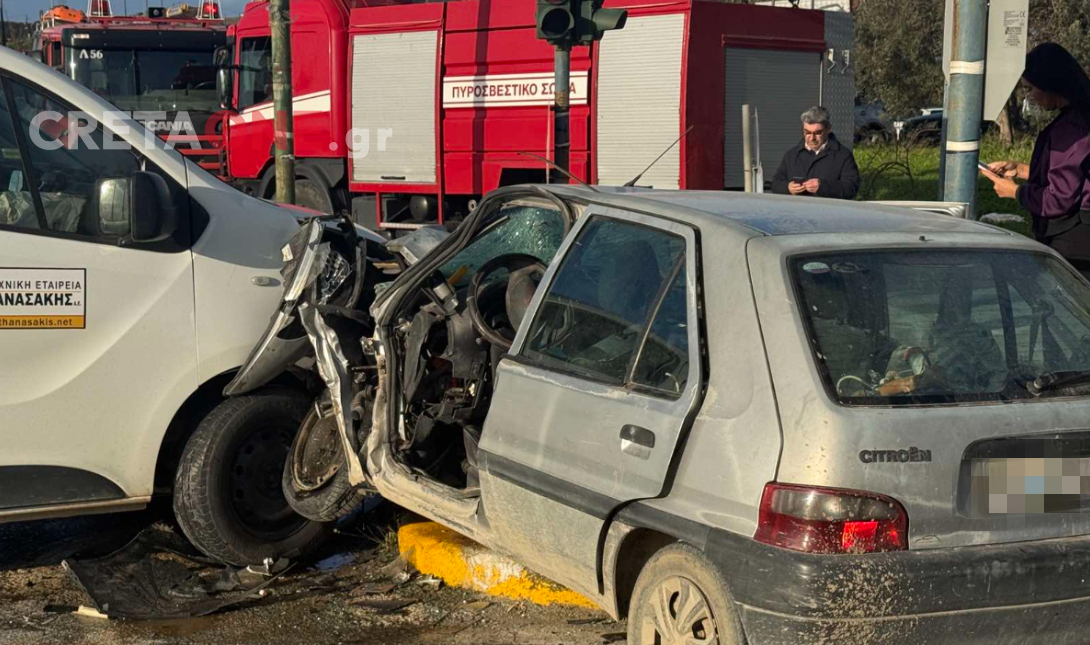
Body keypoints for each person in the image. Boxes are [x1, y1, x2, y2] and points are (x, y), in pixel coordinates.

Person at [982, 43, 1090, 277]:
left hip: (1074, 239)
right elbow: (1075, 176)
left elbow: (1060, 198)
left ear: (1049, 82)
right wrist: (1021, 170)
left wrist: (1016, 192)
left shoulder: (1071, 128)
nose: (1029, 96)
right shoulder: (1079, 118)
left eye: (1030, 88)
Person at [771, 106, 860, 199]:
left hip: (827, 208)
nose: (812, 138)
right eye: (807, 132)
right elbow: (775, 184)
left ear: (828, 129)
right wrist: (787, 188)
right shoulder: (791, 155)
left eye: (817, 133)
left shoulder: (843, 155)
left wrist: (823, 187)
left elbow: (851, 188)